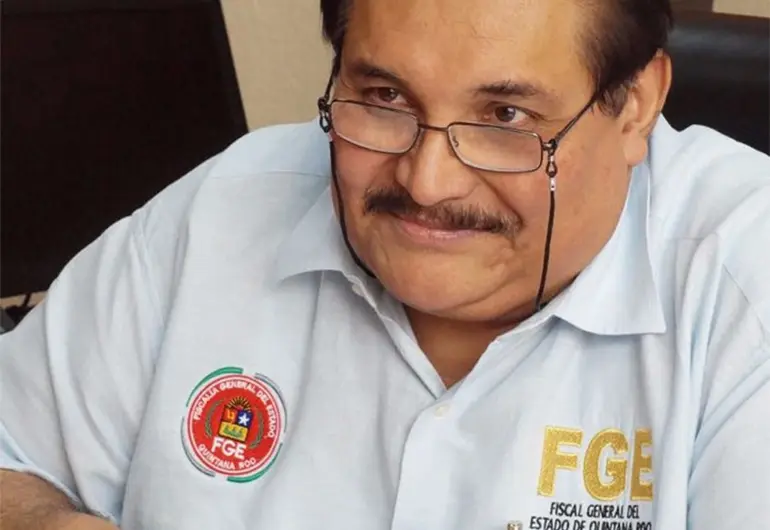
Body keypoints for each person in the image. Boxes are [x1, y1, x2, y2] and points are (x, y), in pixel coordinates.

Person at [1, 0, 769, 528]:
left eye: (505, 117)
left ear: (635, 105)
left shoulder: (742, 280)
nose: (427, 183)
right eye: (384, 97)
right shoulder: (223, 210)